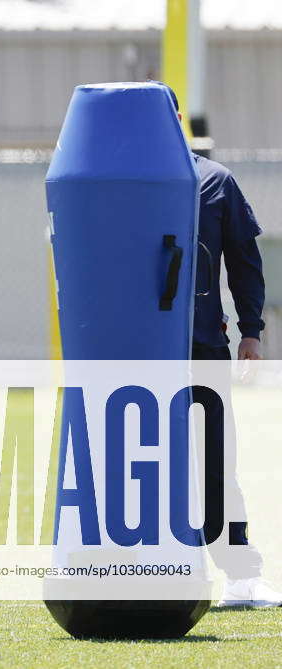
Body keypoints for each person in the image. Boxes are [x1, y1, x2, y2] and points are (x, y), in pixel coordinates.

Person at [160, 82, 280, 608]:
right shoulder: (116, 186)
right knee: (145, 460)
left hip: (201, 348)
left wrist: (251, 330)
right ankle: (152, 562)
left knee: (213, 459)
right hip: (135, 354)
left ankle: (239, 572)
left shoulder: (215, 182)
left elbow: (244, 262)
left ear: (176, 116)